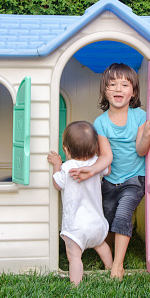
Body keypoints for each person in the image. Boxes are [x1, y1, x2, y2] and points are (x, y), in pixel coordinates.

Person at [69, 63, 150, 280]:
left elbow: (141, 150)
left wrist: (147, 134)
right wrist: (90, 170)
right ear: (104, 91)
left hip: (135, 178)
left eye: (125, 84)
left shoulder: (139, 116)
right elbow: (106, 156)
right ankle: (105, 252)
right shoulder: (100, 123)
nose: (118, 89)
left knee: (122, 215)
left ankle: (117, 265)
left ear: (133, 92)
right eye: (112, 84)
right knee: (107, 217)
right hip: (110, 180)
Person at [47, 121, 113, 286]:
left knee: (74, 256)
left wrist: (57, 164)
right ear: (94, 148)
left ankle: (75, 285)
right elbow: (108, 170)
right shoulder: (96, 165)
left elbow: (57, 184)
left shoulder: (67, 167)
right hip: (97, 223)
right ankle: (110, 267)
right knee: (102, 246)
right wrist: (98, 156)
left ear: (66, 150)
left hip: (76, 227)